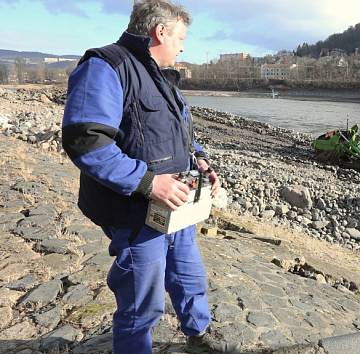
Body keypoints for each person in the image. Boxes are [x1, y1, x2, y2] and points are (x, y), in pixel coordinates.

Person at [61, 1, 236, 353]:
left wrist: (200, 160)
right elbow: (86, 140)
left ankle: (199, 335)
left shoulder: (160, 75)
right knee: (141, 302)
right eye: (181, 37)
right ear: (161, 32)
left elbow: (177, 133)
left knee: (189, 278)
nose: (183, 46)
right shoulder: (106, 66)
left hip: (176, 206)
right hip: (135, 212)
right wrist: (149, 182)